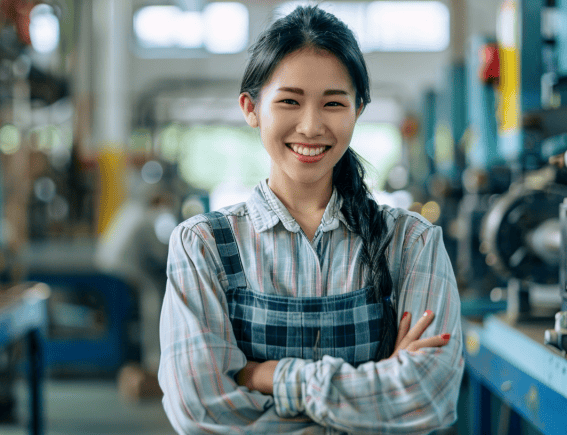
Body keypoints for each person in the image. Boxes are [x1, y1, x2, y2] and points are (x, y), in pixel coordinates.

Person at [158, 5, 463, 434]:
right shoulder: (202, 246)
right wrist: (374, 394)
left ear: (358, 109)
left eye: (333, 103)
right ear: (251, 108)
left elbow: (428, 398)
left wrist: (265, 376)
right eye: (289, 101)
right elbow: (200, 411)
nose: (310, 125)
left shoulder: (411, 243)